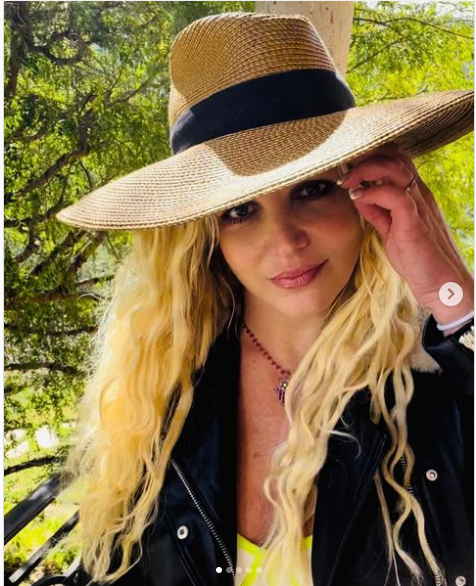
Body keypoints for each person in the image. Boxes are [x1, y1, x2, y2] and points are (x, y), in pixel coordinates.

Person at [56, 11, 474, 586]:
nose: (284, 242)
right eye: (240, 210)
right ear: (206, 235)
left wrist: (454, 294)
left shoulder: (440, 373)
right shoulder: (161, 391)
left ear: (367, 191)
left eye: (313, 189)